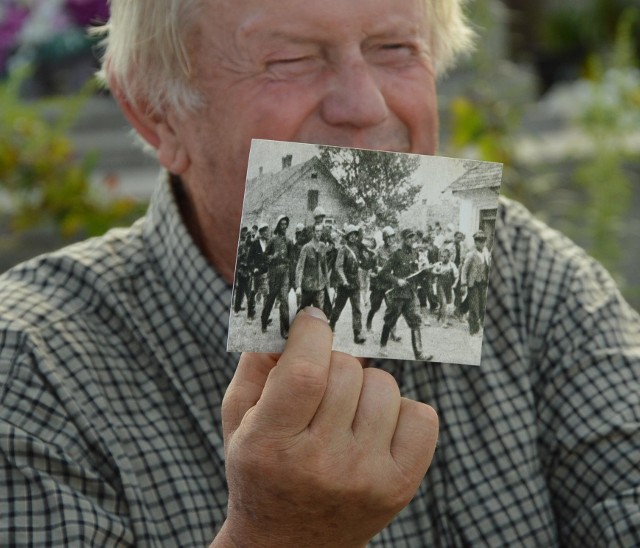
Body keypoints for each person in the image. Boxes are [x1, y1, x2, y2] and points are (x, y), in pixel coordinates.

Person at [0, 1, 638, 546]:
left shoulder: (526, 277)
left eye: (394, 48)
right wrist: (275, 536)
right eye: (291, 60)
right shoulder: (31, 367)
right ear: (155, 114)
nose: (364, 105)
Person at [378, 229, 433, 361]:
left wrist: (424, 271)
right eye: (409, 238)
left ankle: (419, 353)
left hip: (411, 293)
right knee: (390, 319)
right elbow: (384, 273)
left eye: (413, 237)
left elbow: (415, 274)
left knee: (415, 321)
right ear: (404, 239)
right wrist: (397, 280)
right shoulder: (397, 254)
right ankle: (383, 345)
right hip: (398, 295)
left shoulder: (415, 253)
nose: (412, 240)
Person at [329, 224, 367, 344]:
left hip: (355, 283)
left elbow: (362, 262)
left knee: (357, 309)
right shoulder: (343, 250)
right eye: (351, 235)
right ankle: (331, 324)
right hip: (344, 284)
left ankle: (357, 334)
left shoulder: (357, 248)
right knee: (338, 307)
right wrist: (344, 280)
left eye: (355, 235)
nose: (353, 237)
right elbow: (338, 267)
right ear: (347, 236)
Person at [261, 214, 294, 339]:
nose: (284, 226)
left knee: (284, 301)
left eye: (286, 224)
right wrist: (272, 257)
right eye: (282, 224)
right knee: (270, 300)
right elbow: (264, 257)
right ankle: (264, 322)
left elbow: (291, 260)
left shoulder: (289, 241)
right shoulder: (273, 240)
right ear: (278, 225)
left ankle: (285, 329)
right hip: (274, 273)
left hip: (284, 273)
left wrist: (291, 278)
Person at [460, 230, 491, 335]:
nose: (482, 244)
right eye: (480, 242)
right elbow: (464, 269)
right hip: (473, 284)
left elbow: (487, 267)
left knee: (482, 306)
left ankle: (479, 324)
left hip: (483, 283)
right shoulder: (471, 254)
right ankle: (473, 329)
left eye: (483, 242)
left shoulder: (486, 253)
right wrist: (463, 283)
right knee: (474, 306)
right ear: (476, 242)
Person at [295, 223, 329, 311]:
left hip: (319, 286)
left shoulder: (322, 246)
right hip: (308, 286)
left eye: (320, 231)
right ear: (313, 232)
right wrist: (298, 285)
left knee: (319, 312)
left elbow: (324, 265)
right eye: (317, 231)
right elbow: (300, 267)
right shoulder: (306, 248)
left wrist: (327, 281)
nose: (319, 233)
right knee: (303, 312)